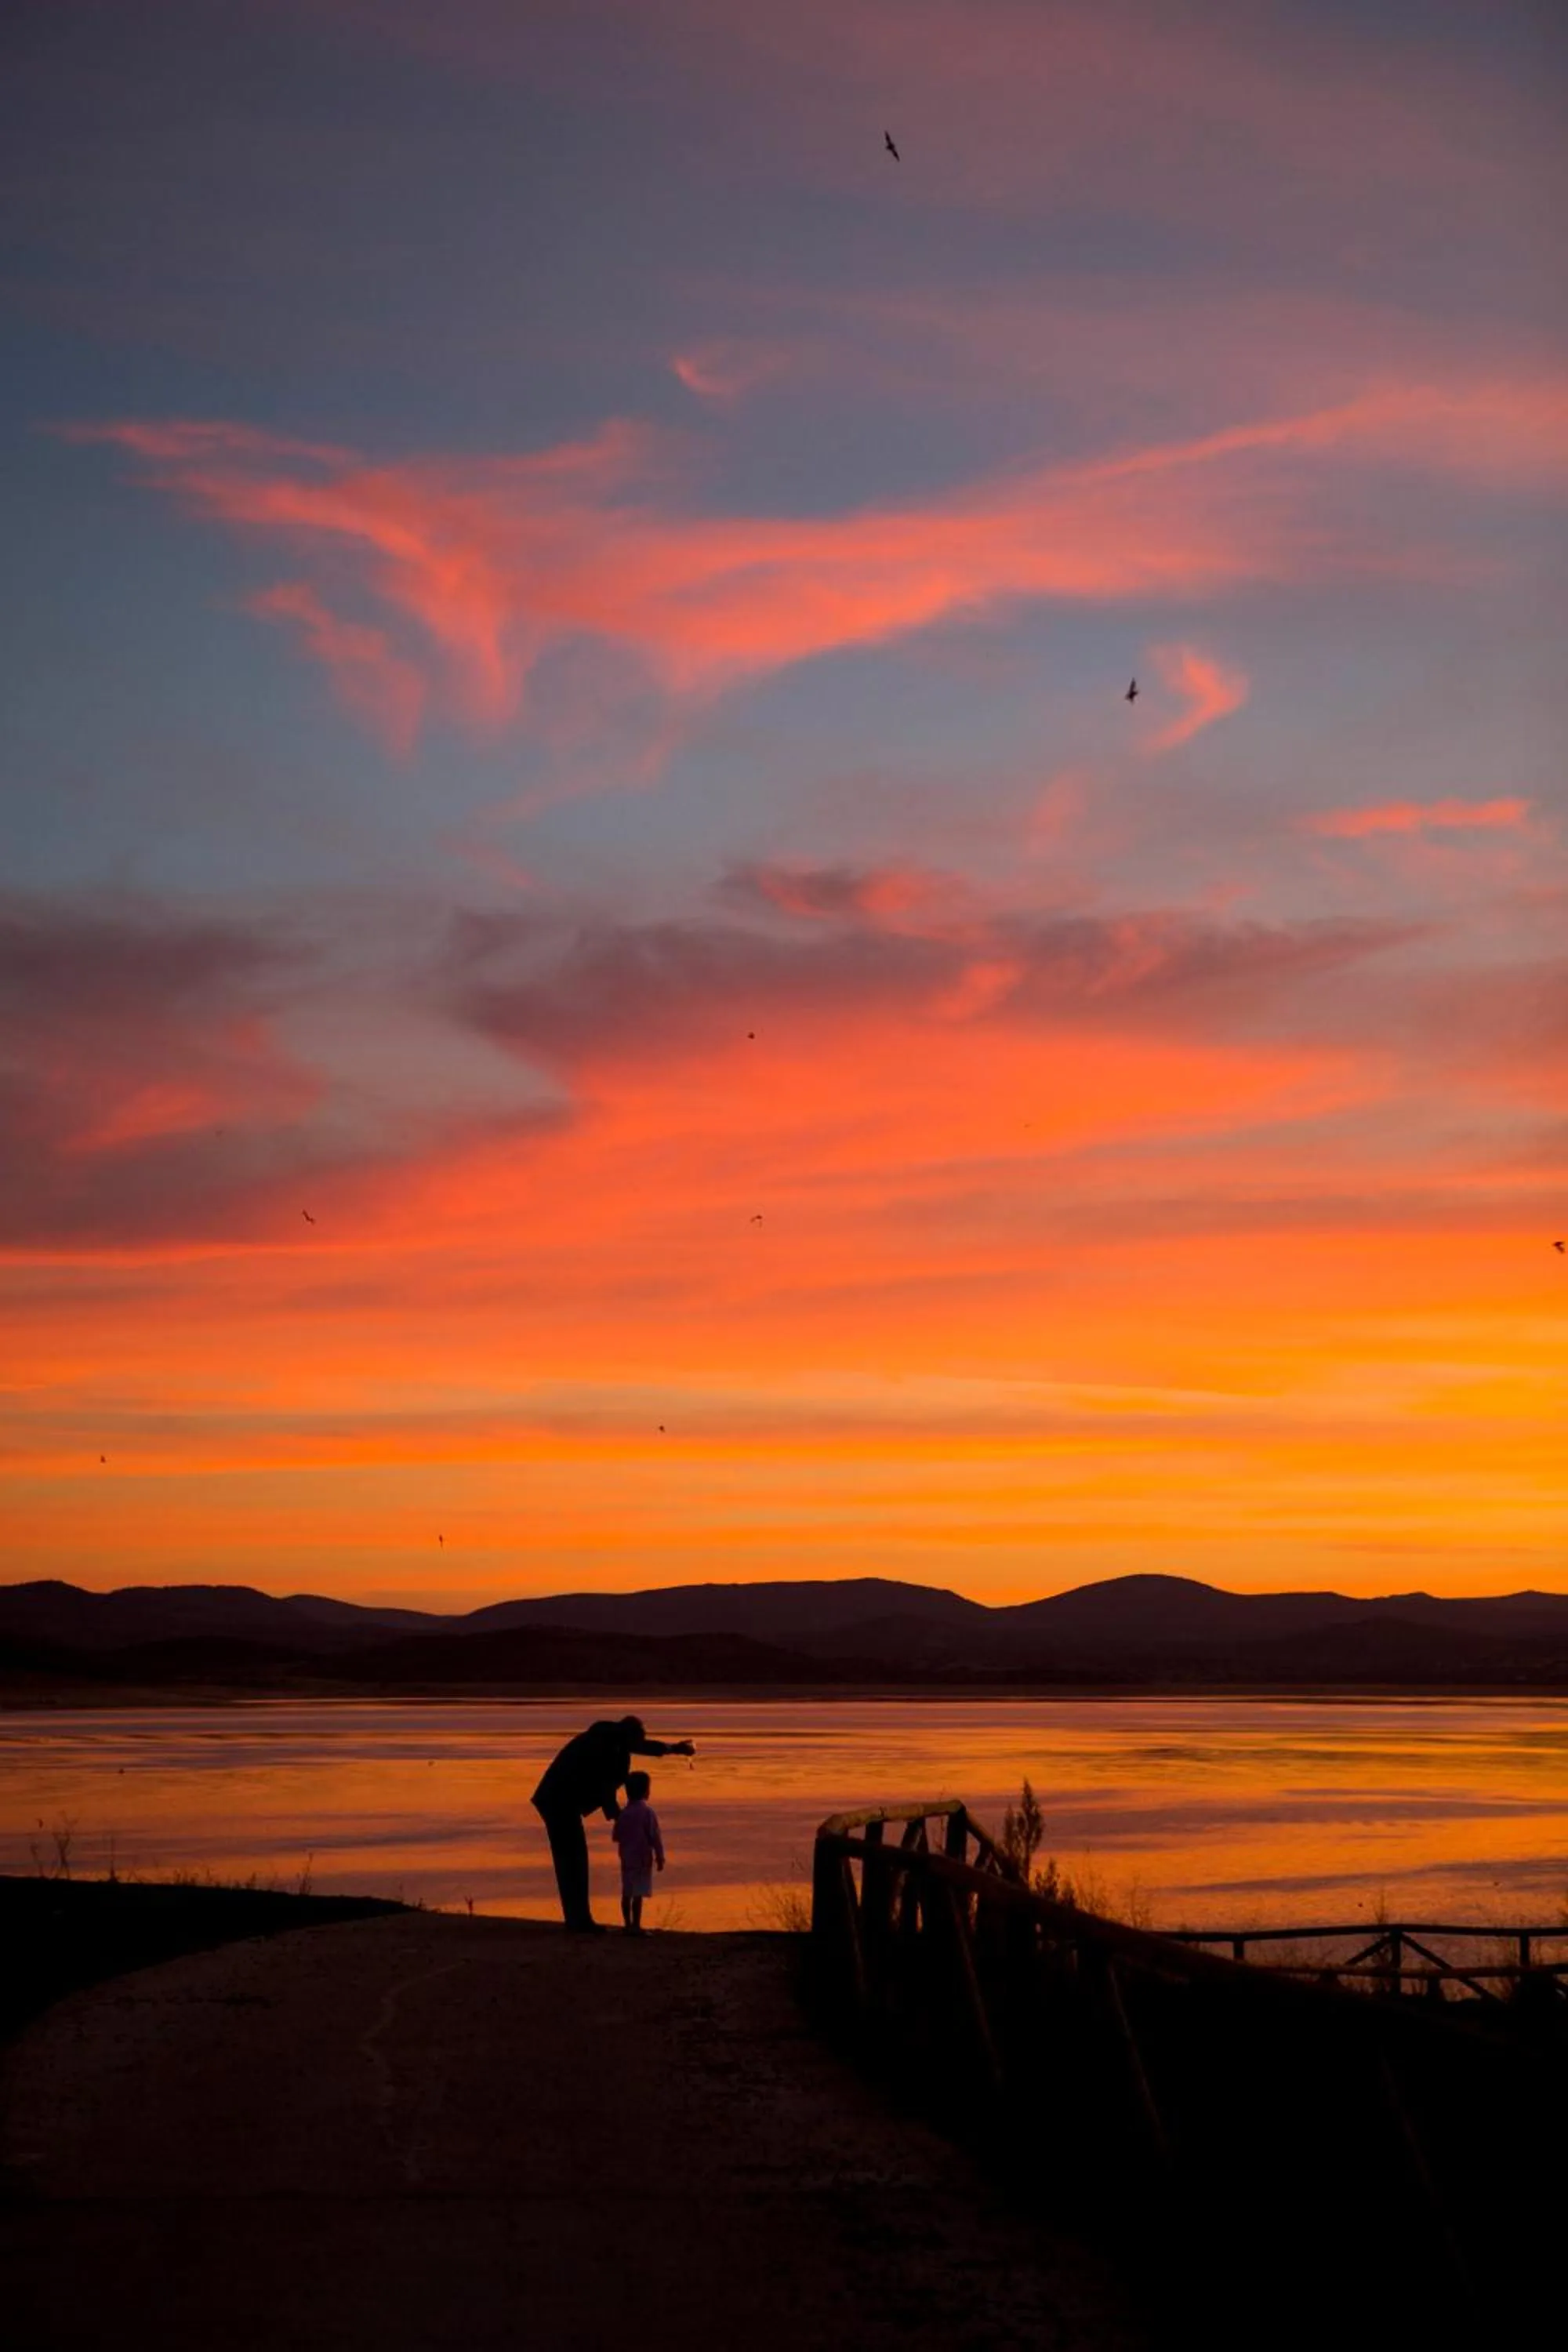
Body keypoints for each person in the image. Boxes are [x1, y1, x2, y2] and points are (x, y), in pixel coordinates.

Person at [531, 1714, 694, 1932]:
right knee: (572, 1859)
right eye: (635, 1742)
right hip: (557, 1799)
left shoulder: (615, 1740)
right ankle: (579, 1921)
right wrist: (622, 1817)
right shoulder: (602, 1744)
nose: (636, 1747)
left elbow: (642, 1747)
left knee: (574, 1859)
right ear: (628, 1736)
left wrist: (675, 1749)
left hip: (563, 1801)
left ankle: (578, 1919)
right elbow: (603, 1785)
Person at [611, 1769, 664, 1933]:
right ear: (645, 1791)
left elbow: (616, 1836)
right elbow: (655, 1836)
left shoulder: (624, 1814)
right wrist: (660, 1856)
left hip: (627, 1858)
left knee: (627, 1892)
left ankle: (627, 1924)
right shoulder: (647, 1813)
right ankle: (636, 1926)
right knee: (638, 1894)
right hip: (642, 1858)